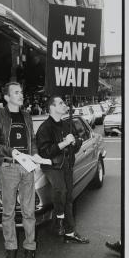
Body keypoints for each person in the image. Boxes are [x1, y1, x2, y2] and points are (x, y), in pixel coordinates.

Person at [0, 82, 43, 258]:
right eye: (16, 92)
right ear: (6, 97)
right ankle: (11, 250)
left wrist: (34, 154)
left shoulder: (27, 116)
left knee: (29, 211)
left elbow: (32, 140)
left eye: (21, 92)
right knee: (8, 213)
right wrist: (11, 151)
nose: (21, 95)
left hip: (27, 167)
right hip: (8, 167)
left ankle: (30, 249)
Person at [36, 96, 89, 244]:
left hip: (67, 165)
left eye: (64, 103)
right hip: (52, 165)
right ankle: (58, 220)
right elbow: (44, 152)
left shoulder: (67, 124)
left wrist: (74, 142)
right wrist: (64, 143)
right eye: (61, 103)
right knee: (61, 191)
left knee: (69, 198)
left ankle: (70, 232)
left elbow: (78, 142)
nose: (64, 105)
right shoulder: (44, 128)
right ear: (52, 107)